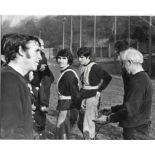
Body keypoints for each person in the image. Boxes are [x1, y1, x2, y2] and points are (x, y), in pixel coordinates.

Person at [94, 48, 153, 140]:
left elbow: (129, 110)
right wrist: (113, 109)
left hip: (135, 130)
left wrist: (108, 119)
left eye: (123, 63)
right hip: (139, 127)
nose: (123, 67)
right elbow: (134, 105)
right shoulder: (143, 77)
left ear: (129, 62)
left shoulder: (137, 82)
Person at [0, 33, 42, 139]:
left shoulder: (15, 78)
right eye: (37, 51)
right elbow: (10, 132)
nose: (40, 57)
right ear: (21, 50)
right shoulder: (9, 79)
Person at [77, 47, 112, 140]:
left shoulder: (95, 67)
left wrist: (100, 89)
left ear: (88, 57)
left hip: (92, 96)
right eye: (78, 57)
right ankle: (90, 138)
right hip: (83, 94)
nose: (79, 59)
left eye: (81, 57)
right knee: (80, 122)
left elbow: (108, 77)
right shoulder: (82, 66)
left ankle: (90, 138)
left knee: (88, 123)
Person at [55, 49, 81, 139]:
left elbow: (76, 94)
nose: (60, 61)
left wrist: (77, 110)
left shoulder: (69, 74)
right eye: (59, 58)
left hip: (68, 107)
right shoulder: (65, 72)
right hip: (65, 106)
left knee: (62, 132)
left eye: (64, 58)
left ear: (68, 59)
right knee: (61, 132)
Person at [32, 39, 54, 139]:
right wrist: (37, 68)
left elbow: (49, 75)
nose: (43, 48)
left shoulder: (42, 56)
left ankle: (41, 133)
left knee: (40, 114)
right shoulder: (29, 56)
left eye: (44, 45)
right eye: (41, 45)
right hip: (32, 87)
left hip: (39, 87)